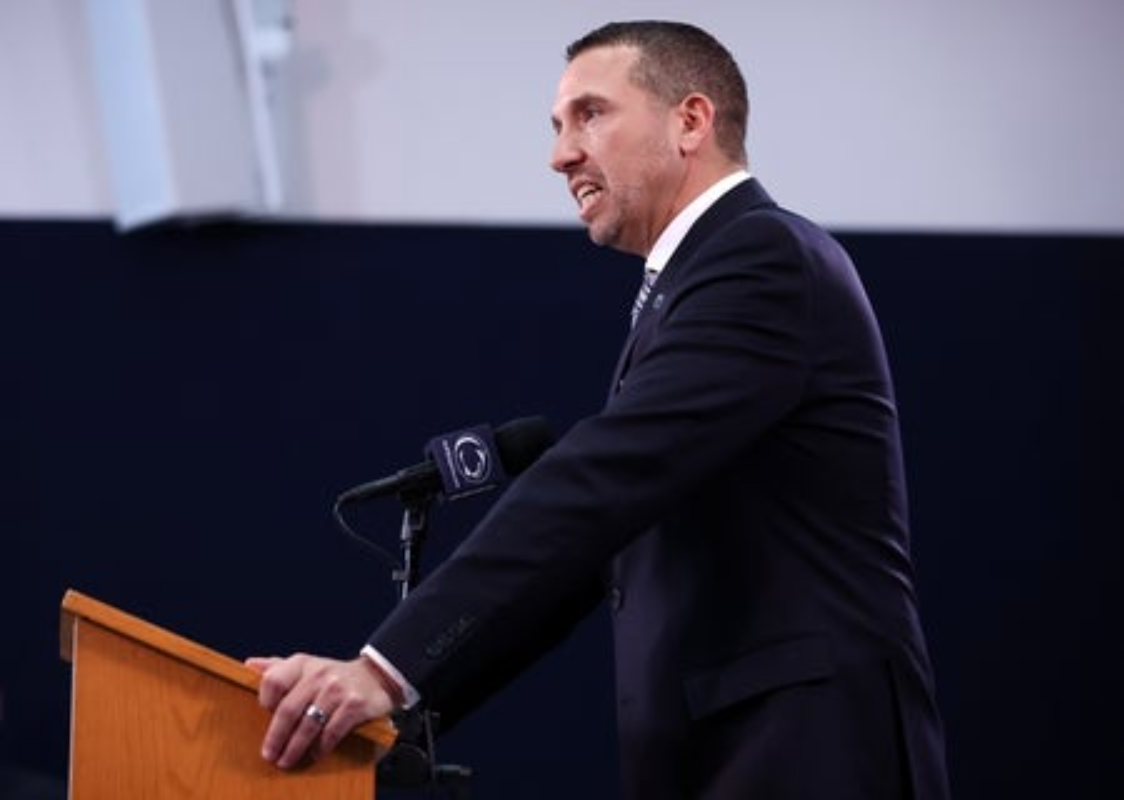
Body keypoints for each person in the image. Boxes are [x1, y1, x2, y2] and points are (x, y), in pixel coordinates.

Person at [248, 20, 950, 799]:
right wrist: (393, 714)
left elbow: (599, 483)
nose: (560, 154)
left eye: (591, 114)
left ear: (690, 121)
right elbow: (593, 551)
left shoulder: (764, 259)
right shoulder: (693, 287)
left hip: (807, 756)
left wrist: (385, 670)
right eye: (557, 126)